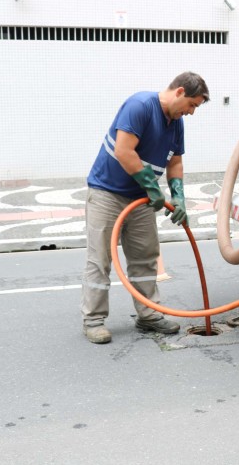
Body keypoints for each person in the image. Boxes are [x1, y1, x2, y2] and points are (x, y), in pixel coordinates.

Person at [81, 72, 210, 344]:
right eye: (192, 105)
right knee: (100, 260)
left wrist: (178, 196)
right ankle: (94, 320)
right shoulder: (139, 105)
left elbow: (175, 162)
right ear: (179, 92)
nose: (192, 112)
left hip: (140, 198)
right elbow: (124, 151)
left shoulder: (176, 122)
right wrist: (153, 188)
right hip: (108, 193)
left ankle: (149, 315)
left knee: (145, 257)